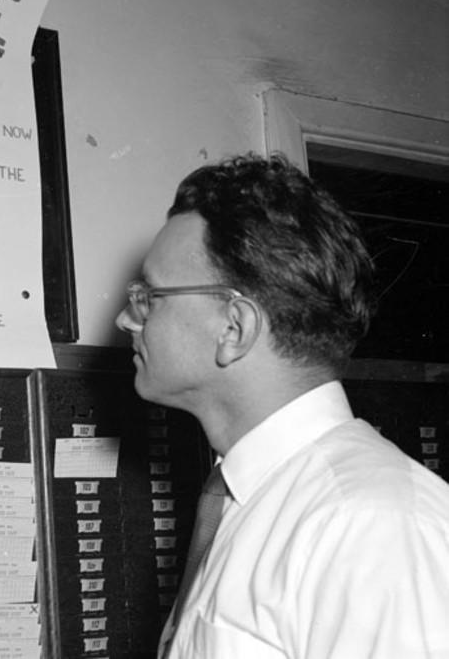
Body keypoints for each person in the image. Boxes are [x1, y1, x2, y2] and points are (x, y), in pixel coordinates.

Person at [115, 153, 449, 658]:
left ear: (234, 328)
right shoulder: (257, 495)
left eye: (150, 297)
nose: (125, 319)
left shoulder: (370, 522)